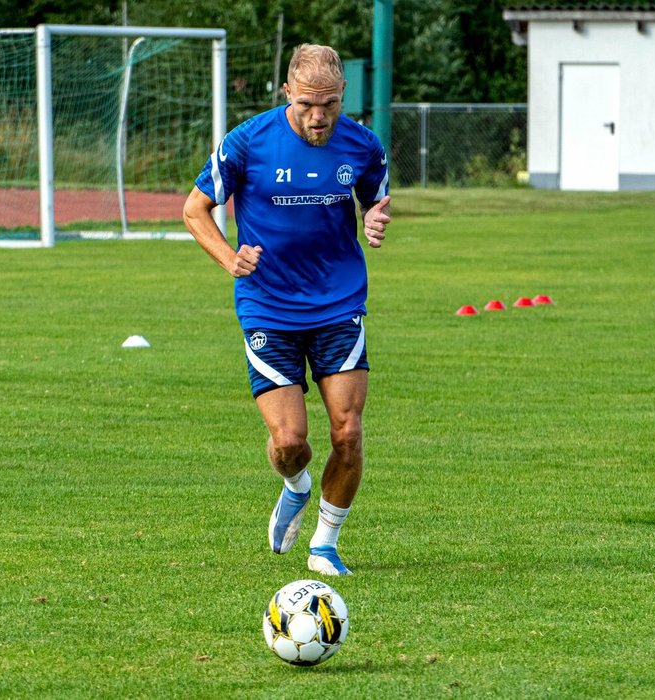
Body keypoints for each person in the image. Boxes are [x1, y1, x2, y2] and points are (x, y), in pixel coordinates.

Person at [183, 44, 392, 576]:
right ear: (287, 95)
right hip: (268, 307)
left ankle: (324, 545)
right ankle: (296, 485)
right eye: (306, 105)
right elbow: (195, 209)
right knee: (291, 441)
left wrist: (373, 221)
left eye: (329, 104)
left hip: (339, 302)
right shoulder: (248, 142)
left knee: (347, 432)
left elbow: (375, 201)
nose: (318, 116)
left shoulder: (364, 145)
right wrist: (230, 257)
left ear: (343, 95)